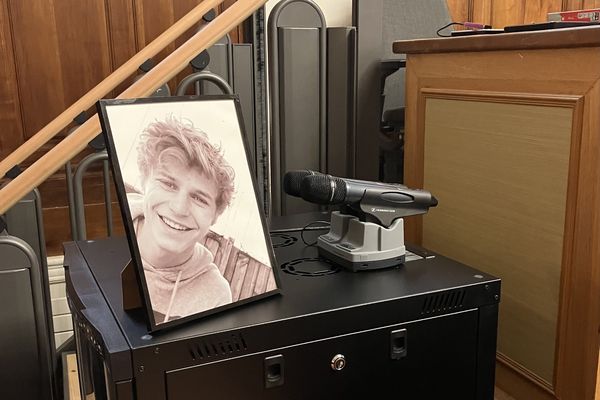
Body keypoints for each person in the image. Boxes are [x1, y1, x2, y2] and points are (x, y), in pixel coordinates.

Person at [126, 116, 235, 324]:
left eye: (198, 198)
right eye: (169, 184)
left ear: (215, 216)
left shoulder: (215, 294)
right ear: (144, 182)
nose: (178, 208)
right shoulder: (108, 233)